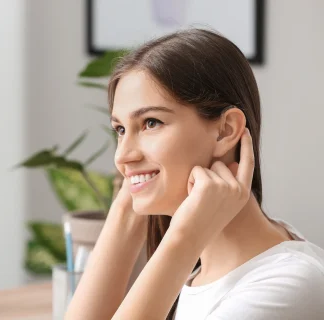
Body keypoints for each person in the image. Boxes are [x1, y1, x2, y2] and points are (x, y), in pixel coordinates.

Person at [65, 28, 324, 320]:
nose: (122, 155)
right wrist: (126, 211)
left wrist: (184, 237)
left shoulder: (286, 287)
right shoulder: (204, 271)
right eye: (121, 130)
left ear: (226, 130)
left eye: (151, 122)